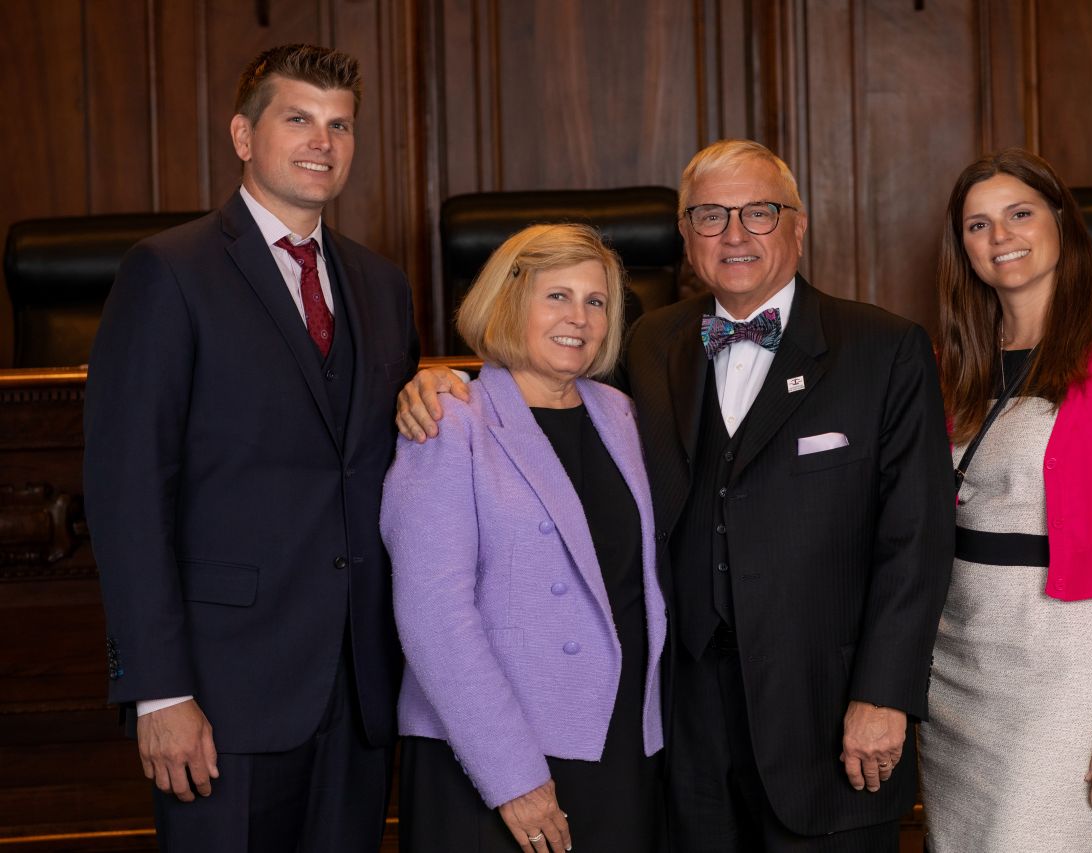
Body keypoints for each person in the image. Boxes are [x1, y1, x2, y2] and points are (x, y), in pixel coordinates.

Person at [397, 140, 955, 852]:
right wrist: (438, 380)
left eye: (759, 212)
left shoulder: (883, 347)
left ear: (799, 226)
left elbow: (917, 536)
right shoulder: (652, 342)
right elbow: (536, 397)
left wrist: (884, 692)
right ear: (687, 238)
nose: (735, 234)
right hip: (680, 727)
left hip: (823, 711)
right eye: (711, 215)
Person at [83, 44, 419, 852]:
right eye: (298, 119)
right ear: (243, 135)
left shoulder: (382, 285)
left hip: (359, 689)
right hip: (221, 692)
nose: (322, 142)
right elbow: (129, 492)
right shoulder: (168, 271)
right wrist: (159, 691)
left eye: (340, 125)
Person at [919, 147, 1092, 852]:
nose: (1000, 236)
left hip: (1064, 655)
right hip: (954, 654)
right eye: (978, 225)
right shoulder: (953, 360)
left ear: (1060, 222)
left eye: (1019, 214)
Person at [381, 223, 666, 853]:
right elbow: (434, 618)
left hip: (619, 744)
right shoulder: (450, 420)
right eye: (557, 296)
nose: (580, 318)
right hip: (492, 755)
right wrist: (512, 777)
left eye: (596, 301)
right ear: (509, 303)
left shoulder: (622, 414)